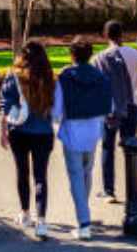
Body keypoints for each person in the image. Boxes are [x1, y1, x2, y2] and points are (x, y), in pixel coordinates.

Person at [92, 20, 137, 211]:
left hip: (111, 108)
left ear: (105, 35)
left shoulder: (100, 58)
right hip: (132, 104)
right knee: (132, 146)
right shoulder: (136, 55)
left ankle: (109, 190)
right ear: (123, 34)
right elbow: (136, 83)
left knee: (107, 147)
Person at [54, 36, 112, 241]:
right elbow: (109, 106)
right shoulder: (101, 76)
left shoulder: (65, 77)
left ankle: (84, 222)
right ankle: (83, 212)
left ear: (72, 55)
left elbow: (57, 110)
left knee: (76, 177)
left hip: (72, 133)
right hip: (94, 131)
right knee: (86, 174)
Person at [0, 39, 55, 239]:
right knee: (41, 177)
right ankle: (42, 221)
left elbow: (6, 105)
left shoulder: (13, 76)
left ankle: (25, 213)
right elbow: (54, 106)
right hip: (43, 132)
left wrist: (3, 131)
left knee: (22, 172)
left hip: (19, 131)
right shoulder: (49, 78)